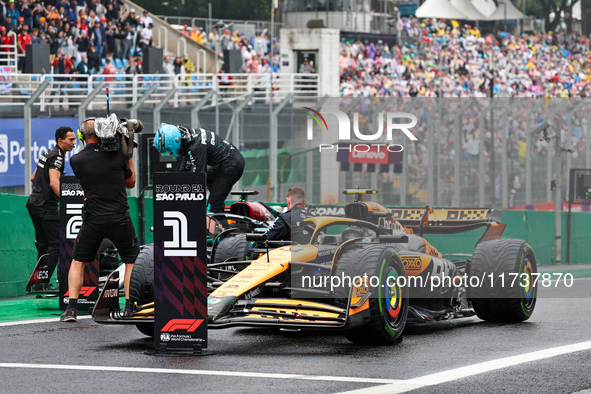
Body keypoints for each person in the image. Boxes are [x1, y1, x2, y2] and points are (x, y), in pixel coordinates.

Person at [61, 118, 139, 322]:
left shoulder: (76, 160)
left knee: (78, 261)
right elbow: (131, 182)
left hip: (93, 219)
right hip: (119, 217)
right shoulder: (116, 155)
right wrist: (127, 152)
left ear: (81, 136)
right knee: (131, 261)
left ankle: (71, 309)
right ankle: (129, 308)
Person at [26, 127, 77, 289]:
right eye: (71, 140)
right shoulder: (58, 157)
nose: (74, 143)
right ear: (60, 141)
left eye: (75, 139)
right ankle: (43, 281)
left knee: (43, 245)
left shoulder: (48, 153)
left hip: (34, 204)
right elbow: (54, 182)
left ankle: (39, 283)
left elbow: (33, 178)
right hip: (46, 208)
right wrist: (66, 200)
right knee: (56, 244)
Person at [154, 123, 245, 213]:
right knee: (209, 180)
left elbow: (199, 180)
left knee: (211, 208)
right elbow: (184, 168)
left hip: (232, 166)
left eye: (169, 151)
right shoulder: (187, 136)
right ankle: (219, 209)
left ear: (174, 142)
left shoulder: (195, 148)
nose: (170, 154)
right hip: (226, 163)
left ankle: (218, 214)